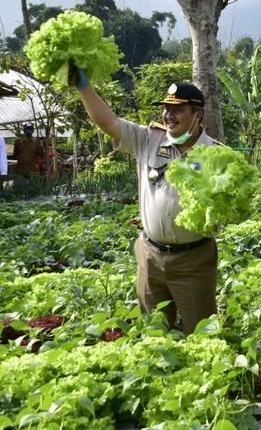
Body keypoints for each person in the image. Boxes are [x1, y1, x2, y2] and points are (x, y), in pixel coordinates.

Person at [72, 66, 220, 334]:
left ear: (197, 115)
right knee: (153, 334)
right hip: (151, 257)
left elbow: (231, 209)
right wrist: (84, 86)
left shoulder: (217, 155)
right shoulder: (148, 140)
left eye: (177, 110)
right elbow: (107, 122)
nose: (168, 115)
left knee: (201, 333)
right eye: (166, 108)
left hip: (193, 260)